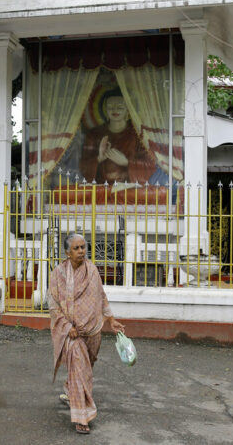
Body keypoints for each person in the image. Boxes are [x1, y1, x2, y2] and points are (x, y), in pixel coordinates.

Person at [48, 233, 125, 434]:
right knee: (80, 370)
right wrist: (67, 326)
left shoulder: (92, 271)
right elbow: (53, 306)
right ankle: (82, 416)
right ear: (67, 252)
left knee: (86, 368)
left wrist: (111, 319)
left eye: (83, 247)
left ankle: (71, 390)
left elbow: (101, 295)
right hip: (72, 333)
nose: (82, 251)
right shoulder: (58, 274)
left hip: (92, 330)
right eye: (77, 248)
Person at [79, 92, 155, 184]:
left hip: (130, 188)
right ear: (106, 110)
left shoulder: (138, 135)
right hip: (101, 188)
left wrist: (127, 162)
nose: (115, 110)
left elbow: (150, 166)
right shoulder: (94, 134)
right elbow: (83, 167)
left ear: (127, 111)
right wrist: (99, 158)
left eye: (120, 107)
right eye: (110, 107)